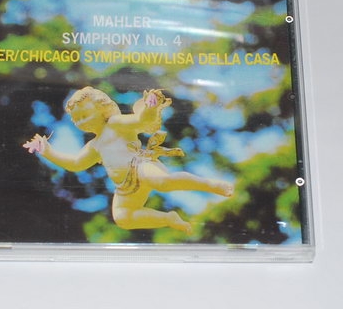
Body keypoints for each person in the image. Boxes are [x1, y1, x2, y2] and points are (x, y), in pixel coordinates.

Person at [23, 87, 233, 234]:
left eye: (85, 115)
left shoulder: (116, 124)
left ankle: (210, 184)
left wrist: (150, 107)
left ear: (102, 108)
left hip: (140, 166)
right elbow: (76, 164)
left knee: (164, 182)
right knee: (123, 217)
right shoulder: (94, 146)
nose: (81, 122)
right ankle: (168, 218)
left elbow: (140, 121)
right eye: (76, 120)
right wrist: (47, 151)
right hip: (125, 187)